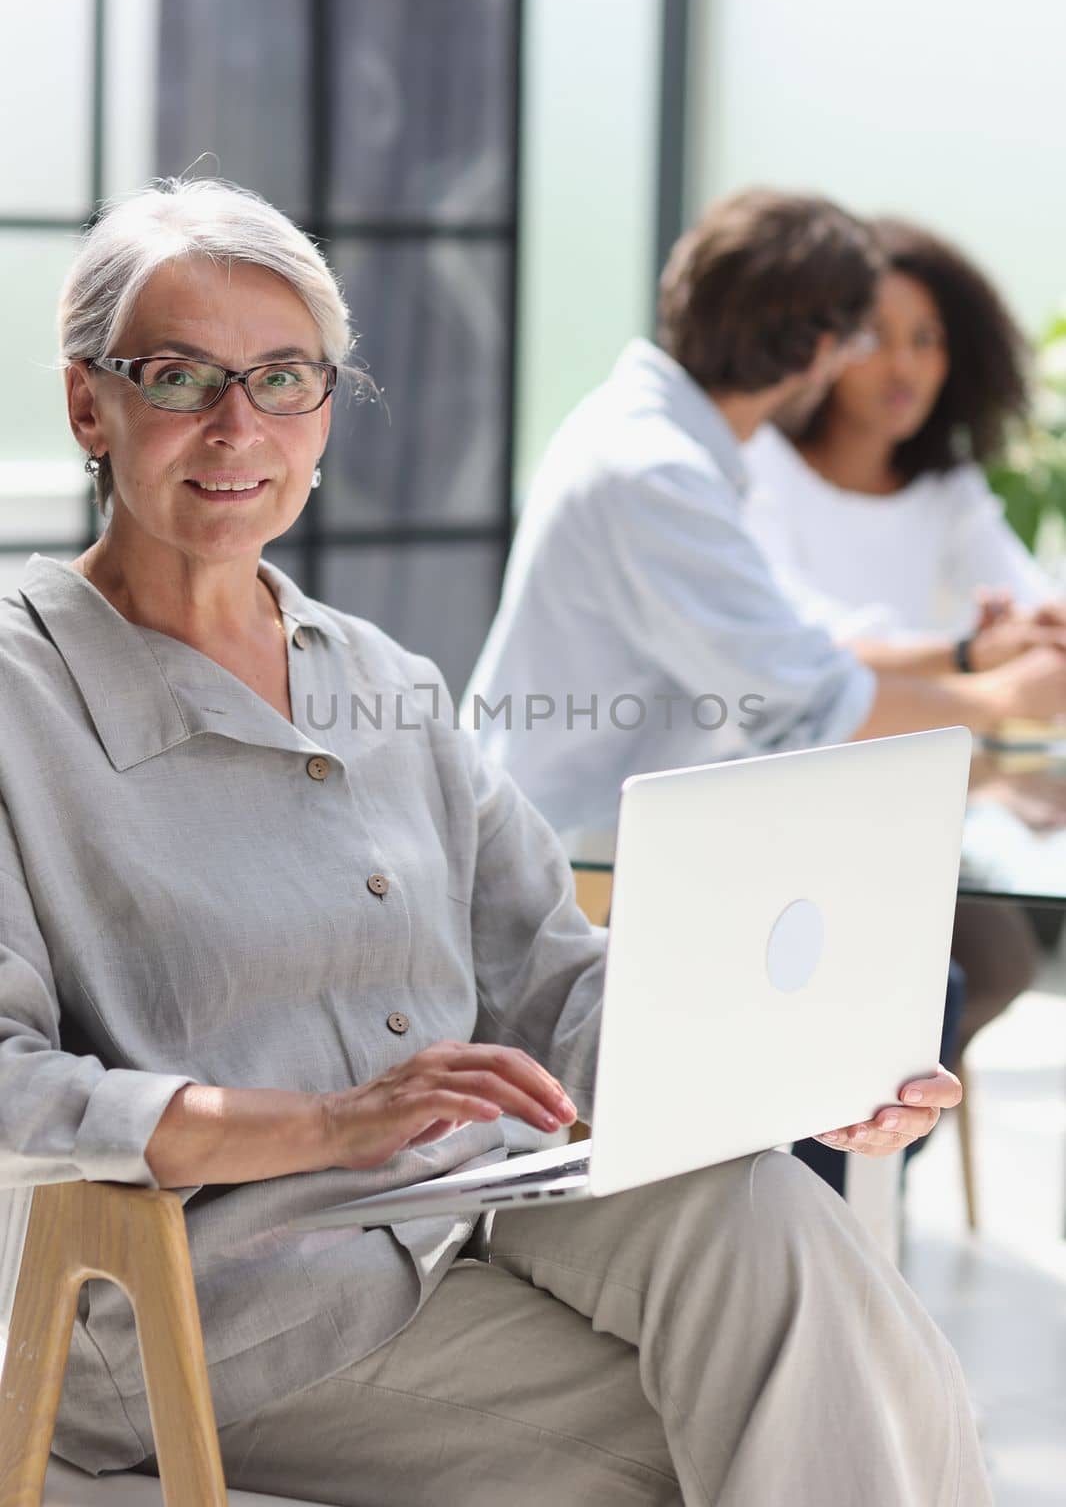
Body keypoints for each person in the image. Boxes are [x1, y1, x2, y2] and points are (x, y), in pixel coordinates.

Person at [0, 177, 989, 1505]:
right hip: (233, 1291)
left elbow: (554, 978)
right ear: (89, 405)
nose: (239, 423)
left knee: (771, 1222)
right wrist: (320, 1125)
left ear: (324, 416)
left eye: (285, 378)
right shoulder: (21, 698)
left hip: (482, 1202)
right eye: (181, 375)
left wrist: (802, 1076)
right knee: (753, 1438)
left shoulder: (385, 681)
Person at [463, 190, 1066, 864]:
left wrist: (963, 657)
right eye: (867, 337)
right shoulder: (657, 475)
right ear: (822, 351)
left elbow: (797, 647)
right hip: (565, 872)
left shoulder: (656, 444)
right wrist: (1000, 696)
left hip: (610, 846)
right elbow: (805, 705)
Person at [744, 216, 1066, 1064]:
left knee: (990, 958)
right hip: (780, 803)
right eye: (875, 337)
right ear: (820, 349)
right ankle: (846, 1165)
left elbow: (1032, 610)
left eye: (926, 339)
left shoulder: (950, 488)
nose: (905, 365)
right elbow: (797, 644)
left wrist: (1034, 634)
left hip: (911, 807)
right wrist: (974, 655)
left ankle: (879, 1167)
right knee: (955, 962)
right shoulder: (762, 472)